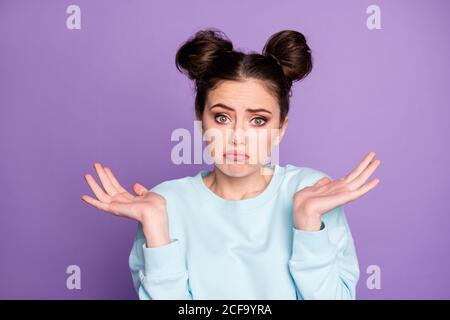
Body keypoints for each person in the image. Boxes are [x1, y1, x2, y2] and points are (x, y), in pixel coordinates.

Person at [81, 28, 381, 300]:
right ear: (201, 121)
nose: (238, 137)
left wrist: (308, 224)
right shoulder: (163, 205)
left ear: (281, 128)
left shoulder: (314, 193)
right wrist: (158, 233)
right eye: (222, 117)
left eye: (258, 120)